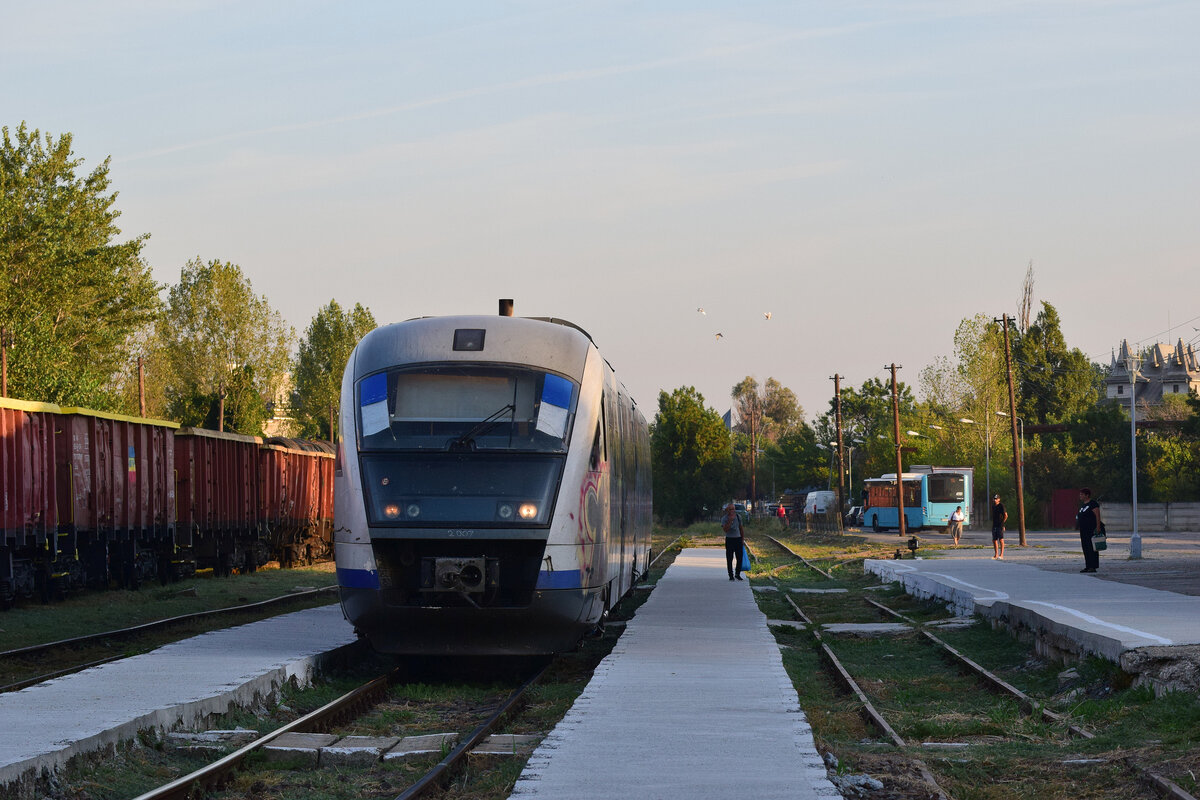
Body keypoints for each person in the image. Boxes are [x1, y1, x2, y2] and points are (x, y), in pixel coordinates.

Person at [1076, 487, 1102, 573]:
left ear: (1087, 495)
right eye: (1080, 494)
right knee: (1085, 547)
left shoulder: (1093, 504)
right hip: (1083, 531)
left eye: (1082, 494)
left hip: (1091, 529)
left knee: (1092, 548)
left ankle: (1093, 566)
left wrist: (1098, 527)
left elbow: (1097, 516)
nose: (1080, 496)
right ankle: (1088, 566)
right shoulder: (1083, 505)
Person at [721, 503, 745, 581]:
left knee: (739, 557)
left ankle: (737, 574)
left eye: (733, 509)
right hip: (729, 539)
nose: (732, 511)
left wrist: (742, 539)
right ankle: (730, 575)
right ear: (727, 510)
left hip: (737, 539)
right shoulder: (724, 518)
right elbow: (725, 530)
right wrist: (730, 520)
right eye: (730, 509)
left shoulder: (738, 517)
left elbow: (741, 528)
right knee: (729, 558)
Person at [990, 494, 1007, 560]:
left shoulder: (1001, 506)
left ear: (999, 499)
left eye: (996, 499)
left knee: (1001, 539)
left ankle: (1001, 554)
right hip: (994, 524)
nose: (995, 500)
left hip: (1000, 525)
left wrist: (1002, 524)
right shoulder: (993, 506)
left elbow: (1006, 515)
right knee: (994, 540)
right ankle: (996, 554)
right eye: (994, 499)